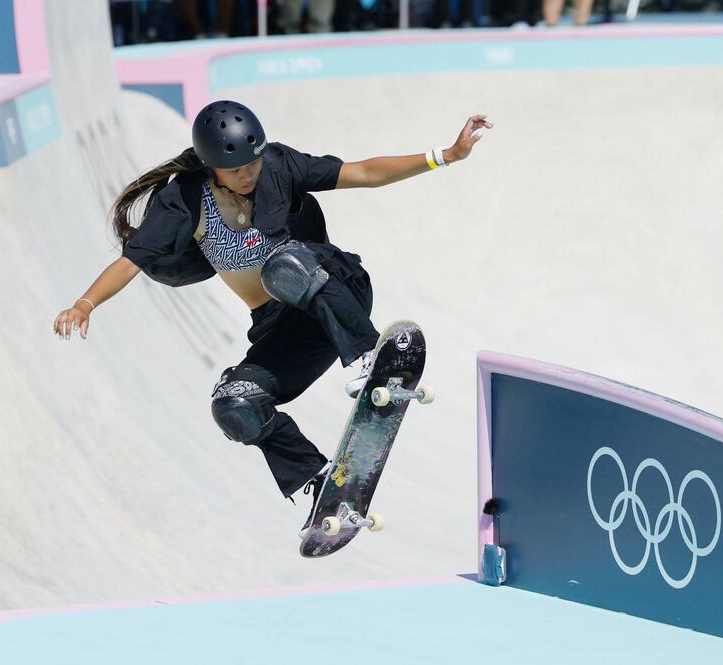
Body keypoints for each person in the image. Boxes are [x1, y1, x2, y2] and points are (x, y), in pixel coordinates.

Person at [52, 101, 492, 534]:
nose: (248, 174)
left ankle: (366, 357)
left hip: (338, 292)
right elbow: (132, 261)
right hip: (288, 330)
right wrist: (86, 303)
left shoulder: (280, 165)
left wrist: (445, 156)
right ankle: (322, 483)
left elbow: (362, 172)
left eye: (253, 163)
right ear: (210, 167)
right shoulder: (185, 200)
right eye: (236, 169)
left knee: (284, 265)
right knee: (235, 403)